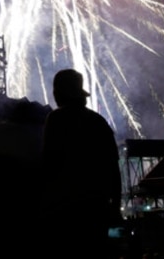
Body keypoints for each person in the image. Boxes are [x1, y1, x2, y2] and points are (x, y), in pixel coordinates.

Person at [42, 69, 121, 256]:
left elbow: (49, 164)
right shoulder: (99, 122)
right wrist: (115, 209)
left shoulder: (56, 119)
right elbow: (114, 170)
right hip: (97, 209)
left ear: (58, 94)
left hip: (66, 210)